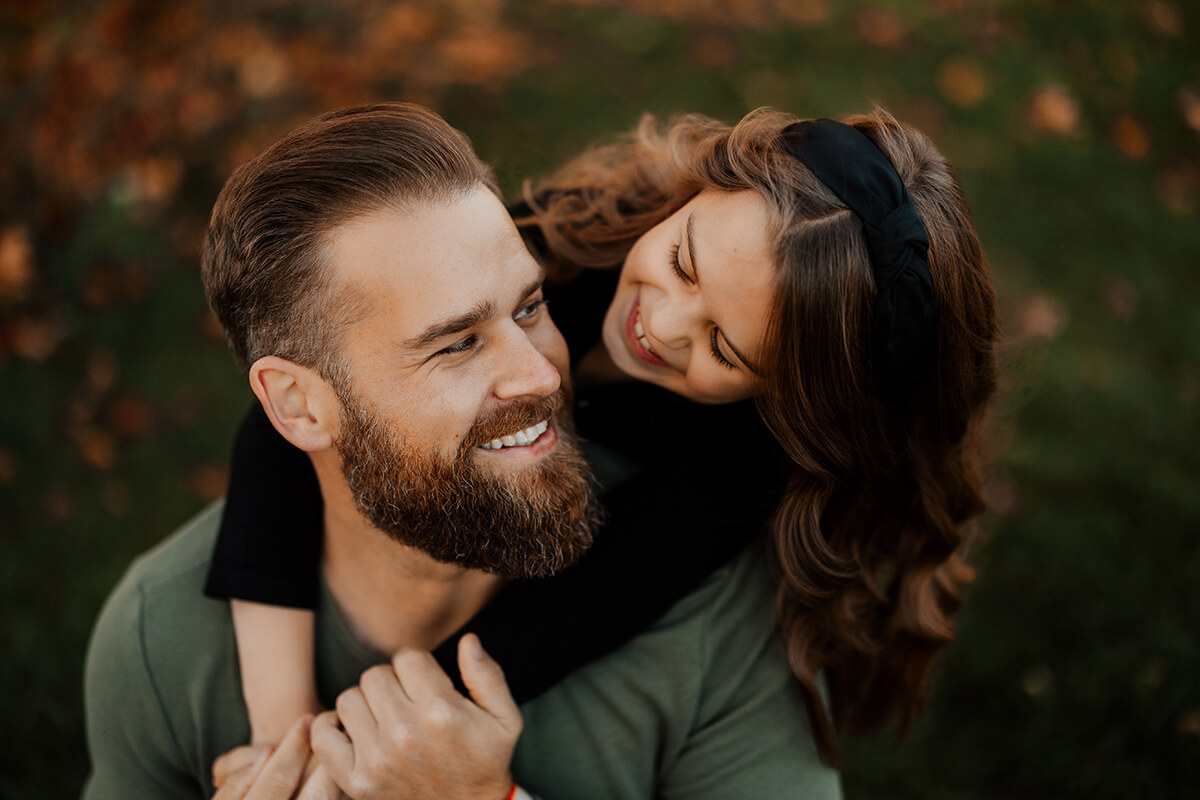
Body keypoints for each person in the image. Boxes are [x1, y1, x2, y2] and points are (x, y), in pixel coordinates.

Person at [205, 102, 999, 772]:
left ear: (786, 393)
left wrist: (342, 761)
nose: (661, 323)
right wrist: (281, 723)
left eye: (726, 346)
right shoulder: (578, 231)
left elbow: (563, 619)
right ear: (692, 190)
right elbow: (310, 387)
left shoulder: (737, 464)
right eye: (684, 263)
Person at [81, 103, 842, 799]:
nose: (544, 373)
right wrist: (287, 728)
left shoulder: (724, 604)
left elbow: (598, 599)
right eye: (455, 343)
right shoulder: (158, 640)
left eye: (530, 307)